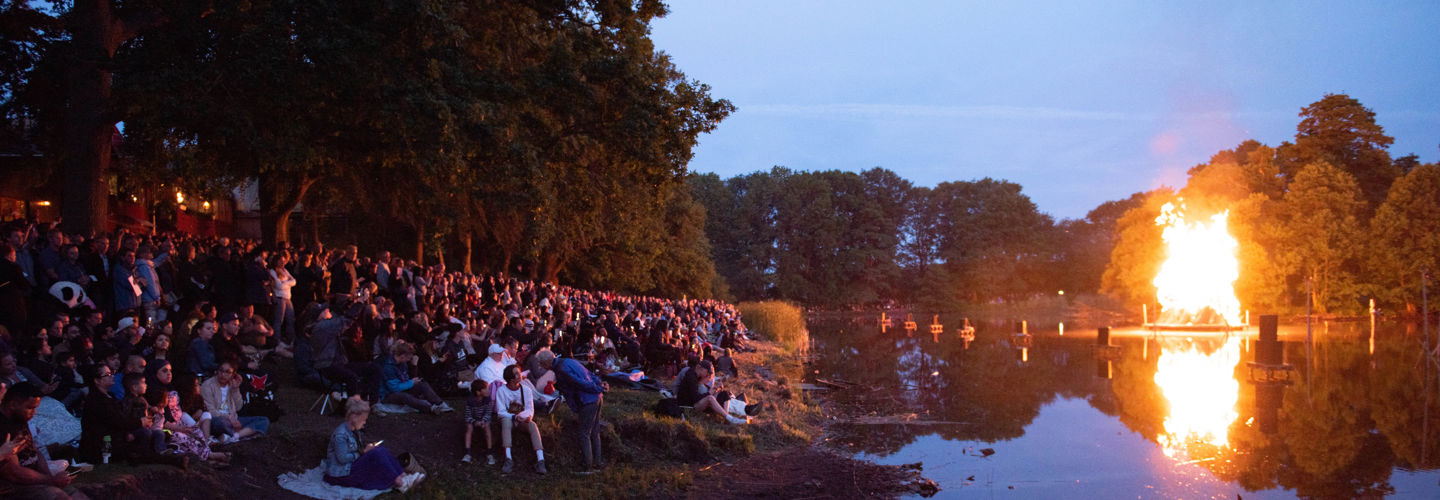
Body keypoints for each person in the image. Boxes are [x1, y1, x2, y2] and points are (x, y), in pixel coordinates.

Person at [0, 383, 88, 500]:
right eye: (30, 408)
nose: (34, 412)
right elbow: (14, 473)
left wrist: (49, 476)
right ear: (13, 404)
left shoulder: (19, 418)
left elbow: (35, 452)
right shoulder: (3, 428)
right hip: (15, 487)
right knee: (59, 497)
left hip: (38, 479)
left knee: (79, 496)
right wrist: (50, 480)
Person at [323, 397, 420, 491]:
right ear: (353, 417)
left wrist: (367, 449)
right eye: (363, 419)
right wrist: (364, 452)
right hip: (341, 473)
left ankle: (403, 476)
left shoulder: (354, 430)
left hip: (350, 466)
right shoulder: (341, 435)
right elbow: (342, 458)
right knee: (377, 453)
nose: (364, 422)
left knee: (380, 450)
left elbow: (355, 449)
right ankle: (400, 483)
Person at [542, 347, 607, 472]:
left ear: (547, 362)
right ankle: (597, 463)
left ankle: (587, 466)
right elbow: (587, 374)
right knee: (594, 431)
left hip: (588, 400)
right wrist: (598, 385)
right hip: (596, 398)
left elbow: (579, 383)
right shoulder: (567, 361)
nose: (541, 366)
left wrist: (597, 388)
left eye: (541, 364)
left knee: (584, 433)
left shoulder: (561, 369)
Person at [494, 365, 545, 475]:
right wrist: (514, 417)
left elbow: (530, 408)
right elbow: (500, 411)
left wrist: (527, 417)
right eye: (517, 373)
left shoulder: (526, 390)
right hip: (508, 419)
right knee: (506, 422)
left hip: (521, 419)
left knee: (532, 425)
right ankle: (508, 458)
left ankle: (540, 460)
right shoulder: (501, 391)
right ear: (511, 380)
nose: (520, 374)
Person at [201, 361, 268, 443]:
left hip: (233, 420)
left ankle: (234, 436)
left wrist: (235, 390)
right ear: (217, 371)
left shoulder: (232, 384)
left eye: (227, 372)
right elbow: (210, 411)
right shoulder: (208, 385)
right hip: (218, 420)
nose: (223, 374)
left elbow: (238, 407)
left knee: (263, 420)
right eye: (221, 371)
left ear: (233, 375)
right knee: (220, 422)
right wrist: (229, 418)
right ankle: (243, 434)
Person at [378, 342, 450, 414]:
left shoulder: (402, 364)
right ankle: (431, 408)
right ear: (403, 356)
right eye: (408, 357)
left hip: (402, 389)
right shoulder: (388, 367)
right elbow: (394, 388)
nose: (409, 360)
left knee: (422, 385)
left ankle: (440, 404)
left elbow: (406, 379)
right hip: (388, 395)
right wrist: (411, 382)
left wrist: (414, 368)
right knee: (404, 396)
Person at [677, 360, 747, 425]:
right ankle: (730, 418)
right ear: (701, 369)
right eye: (707, 372)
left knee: (721, 395)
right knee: (710, 398)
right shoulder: (691, 377)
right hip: (687, 407)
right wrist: (709, 393)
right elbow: (695, 398)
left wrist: (714, 390)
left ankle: (728, 418)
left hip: (691, 403)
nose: (707, 375)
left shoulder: (694, 375)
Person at [459, 381, 494, 465]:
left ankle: (489, 452)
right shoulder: (470, 401)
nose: (488, 390)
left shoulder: (488, 399)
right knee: (469, 428)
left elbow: (488, 413)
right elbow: (468, 416)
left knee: (487, 428)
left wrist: (483, 421)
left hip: (484, 419)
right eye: (485, 389)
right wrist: (475, 422)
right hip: (473, 419)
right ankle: (467, 453)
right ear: (478, 392)